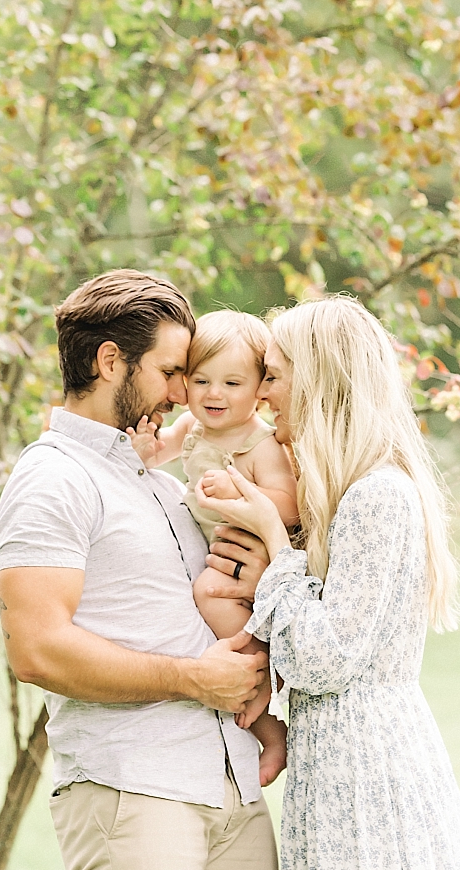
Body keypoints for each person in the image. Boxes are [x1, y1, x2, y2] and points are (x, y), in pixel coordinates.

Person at [195, 296, 460, 870]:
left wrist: (275, 541)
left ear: (319, 378)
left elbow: (326, 660)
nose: (261, 392)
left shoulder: (376, 496)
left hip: (369, 764)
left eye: (273, 374)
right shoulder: (344, 497)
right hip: (335, 756)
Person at [0, 269, 278, 870]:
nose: (184, 392)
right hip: (135, 791)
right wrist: (191, 679)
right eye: (171, 372)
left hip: (230, 787)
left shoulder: (153, 476)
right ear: (110, 362)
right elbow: (37, 649)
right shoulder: (52, 479)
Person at [132, 309, 297, 785]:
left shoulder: (261, 445)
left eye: (232, 382)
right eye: (201, 380)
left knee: (208, 592)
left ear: (259, 390)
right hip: (221, 551)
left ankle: (257, 667)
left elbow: (288, 504)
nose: (214, 394)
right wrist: (146, 450)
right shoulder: (193, 428)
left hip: (250, 553)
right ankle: (271, 732)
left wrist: (241, 493)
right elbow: (160, 452)